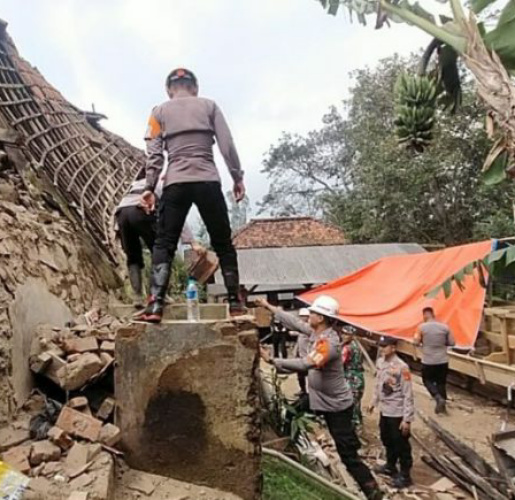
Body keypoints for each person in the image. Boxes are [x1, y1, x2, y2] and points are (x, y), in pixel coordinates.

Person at [138, 68, 246, 322]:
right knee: (223, 243)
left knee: (164, 243)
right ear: (195, 87)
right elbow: (226, 144)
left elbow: (153, 155)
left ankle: (155, 305)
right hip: (208, 179)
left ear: (168, 89)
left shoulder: (158, 112)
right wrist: (237, 176)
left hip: (175, 182)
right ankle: (235, 303)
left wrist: (150, 187)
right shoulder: (210, 106)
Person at [257, 296, 383, 500]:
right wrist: (269, 307)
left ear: (322, 318)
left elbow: (307, 363)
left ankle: (373, 492)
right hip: (318, 398)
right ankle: (289, 452)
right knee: (290, 414)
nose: (309, 315)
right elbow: (295, 323)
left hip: (336, 407)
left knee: (348, 456)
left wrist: (272, 359)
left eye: (313, 313)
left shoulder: (329, 344)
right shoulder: (316, 333)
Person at [115, 170, 198, 307]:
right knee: (160, 252)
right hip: (139, 211)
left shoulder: (133, 185)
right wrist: (192, 241)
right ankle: (160, 295)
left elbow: (121, 209)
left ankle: (137, 297)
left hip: (122, 215)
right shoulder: (160, 184)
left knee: (133, 257)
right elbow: (176, 215)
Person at [368, 336, 415, 489]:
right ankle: (390, 465)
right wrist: (373, 402)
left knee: (401, 444)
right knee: (386, 438)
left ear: (393, 348)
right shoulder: (381, 362)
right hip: (385, 410)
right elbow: (378, 384)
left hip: (398, 412)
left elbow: (408, 394)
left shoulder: (403, 367)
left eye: (385, 346)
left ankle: (405, 475)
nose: (382, 348)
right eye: (380, 346)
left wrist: (407, 419)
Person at [413, 303, 455, 414]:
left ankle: (438, 398)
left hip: (428, 361)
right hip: (443, 360)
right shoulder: (445, 327)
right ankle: (442, 408)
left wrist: (422, 341)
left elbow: (416, 342)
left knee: (427, 380)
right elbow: (452, 342)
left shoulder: (421, 328)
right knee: (441, 383)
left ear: (424, 316)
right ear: (433, 314)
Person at [341, 326, 365, 430]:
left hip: (351, 377)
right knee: (357, 401)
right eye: (343, 333)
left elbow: (341, 362)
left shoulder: (347, 348)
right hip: (359, 376)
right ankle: (358, 423)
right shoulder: (357, 346)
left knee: (351, 402)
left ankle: (354, 426)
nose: (344, 336)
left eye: (346, 334)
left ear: (352, 336)